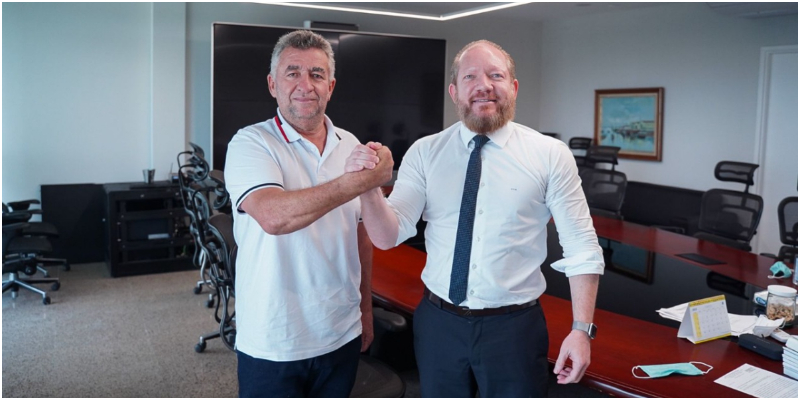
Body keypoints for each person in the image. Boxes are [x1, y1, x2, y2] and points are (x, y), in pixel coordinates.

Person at [345, 40, 604, 397]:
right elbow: (388, 236)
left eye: (496, 75)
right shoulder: (425, 152)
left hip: (514, 329)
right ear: (455, 92)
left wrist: (581, 329)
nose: (484, 85)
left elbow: (581, 245)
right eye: (470, 77)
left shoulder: (549, 154)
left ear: (513, 87)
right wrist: (369, 188)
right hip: (438, 324)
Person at [224, 30, 392, 397]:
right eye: (292, 73)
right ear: (273, 84)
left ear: (330, 86)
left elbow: (361, 235)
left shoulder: (350, 144)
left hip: (340, 330)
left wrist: (365, 309)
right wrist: (362, 181)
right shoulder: (250, 143)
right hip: (274, 339)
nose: (306, 85)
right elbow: (274, 217)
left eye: (317, 74)